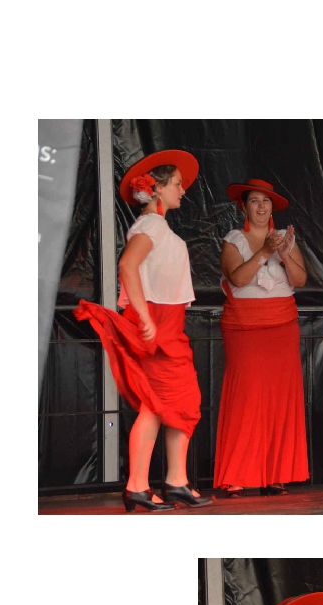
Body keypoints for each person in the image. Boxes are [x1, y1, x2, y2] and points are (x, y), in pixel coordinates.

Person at [75, 149, 212, 512]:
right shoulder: (151, 225)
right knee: (156, 405)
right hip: (158, 322)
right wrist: (143, 315)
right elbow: (127, 264)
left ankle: (176, 481)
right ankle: (139, 485)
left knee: (180, 402)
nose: (183, 190)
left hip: (168, 322)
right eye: (177, 184)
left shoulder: (157, 226)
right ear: (157, 189)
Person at [213, 179, 310, 498]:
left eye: (266, 201)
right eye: (254, 201)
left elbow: (300, 279)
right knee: (246, 399)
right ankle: (236, 476)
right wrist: (264, 252)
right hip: (246, 327)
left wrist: (283, 253)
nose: (261, 206)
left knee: (280, 400)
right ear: (244, 207)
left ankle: (276, 475)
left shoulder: (285, 239)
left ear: (272, 207)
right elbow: (237, 278)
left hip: (282, 325)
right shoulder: (233, 240)